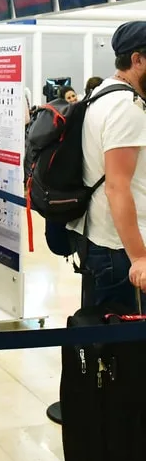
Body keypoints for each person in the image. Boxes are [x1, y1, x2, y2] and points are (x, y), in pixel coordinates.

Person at [69, 22, 146, 312]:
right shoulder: (127, 107)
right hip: (119, 249)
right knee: (127, 350)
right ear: (137, 60)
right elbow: (117, 186)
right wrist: (139, 257)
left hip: (100, 240)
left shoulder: (102, 93)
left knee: (108, 346)